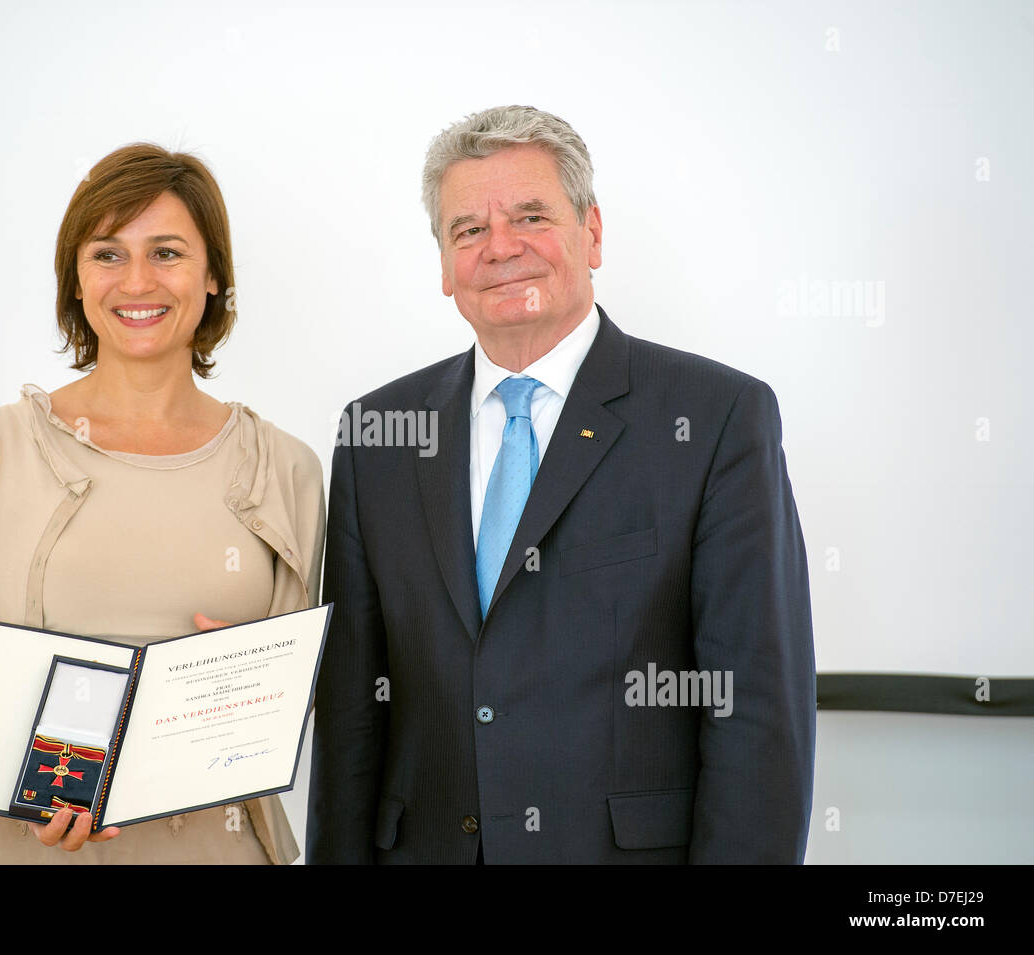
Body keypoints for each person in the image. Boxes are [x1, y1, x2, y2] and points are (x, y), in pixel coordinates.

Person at [308, 106, 816, 864]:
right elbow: (352, 713)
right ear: (445, 267)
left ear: (593, 232)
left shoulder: (715, 418)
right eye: (468, 230)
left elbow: (755, 712)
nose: (500, 247)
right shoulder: (377, 433)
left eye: (530, 215)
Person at [0, 143, 324, 864]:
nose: (137, 281)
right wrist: (29, 786)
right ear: (75, 279)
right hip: (23, 848)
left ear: (214, 275)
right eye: (107, 253)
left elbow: (292, 700)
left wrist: (239, 694)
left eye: (167, 252)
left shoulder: (285, 468)